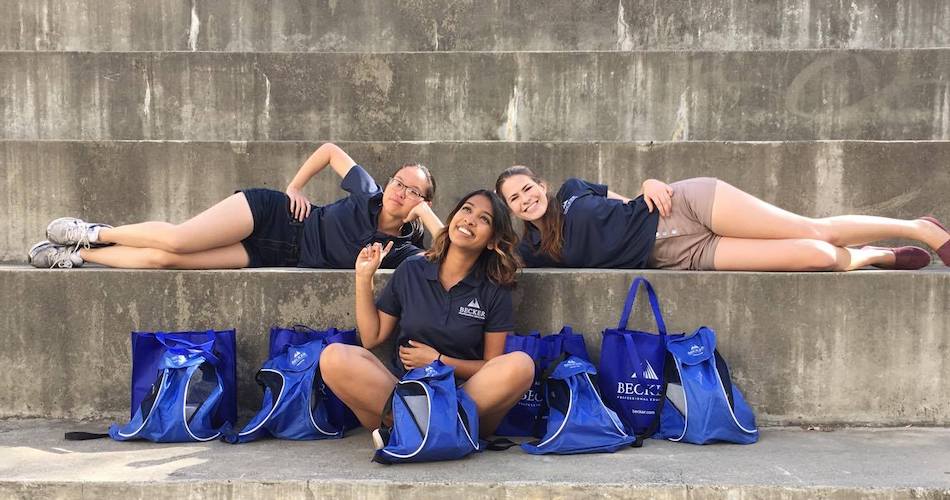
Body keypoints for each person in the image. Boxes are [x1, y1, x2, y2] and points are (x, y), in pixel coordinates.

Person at [320, 190, 534, 442]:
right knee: (334, 357)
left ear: (491, 240)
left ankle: (410, 429)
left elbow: (492, 366)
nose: (470, 219)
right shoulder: (412, 269)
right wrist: (363, 277)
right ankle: (435, 430)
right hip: (404, 390)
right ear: (453, 217)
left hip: (461, 396)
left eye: (484, 219)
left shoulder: (494, 288)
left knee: (521, 365)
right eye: (466, 209)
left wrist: (440, 361)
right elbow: (371, 337)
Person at [27, 143, 443, 270]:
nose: (400, 192)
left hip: (278, 254)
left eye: (412, 191)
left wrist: (424, 217)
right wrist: (295, 186)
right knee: (179, 239)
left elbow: (449, 254)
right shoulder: (368, 191)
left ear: (423, 203)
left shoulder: (405, 250)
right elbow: (331, 151)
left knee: (166, 261)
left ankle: (77, 255)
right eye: (398, 182)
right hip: (275, 214)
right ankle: (95, 232)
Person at [495, 166, 950, 271]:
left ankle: (919, 228)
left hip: (686, 205)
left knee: (813, 228)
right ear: (511, 210)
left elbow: (628, 200)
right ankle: (874, 256)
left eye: (527, 188)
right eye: (514, 199)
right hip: (679, 255)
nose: (525, 199)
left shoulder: (574, 190)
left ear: (542, 185)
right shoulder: (533, 250)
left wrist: (651, 182)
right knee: (820, 257)